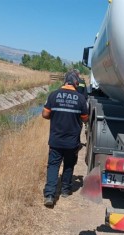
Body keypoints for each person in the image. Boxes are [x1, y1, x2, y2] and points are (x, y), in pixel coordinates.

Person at [42, 76, 89, 207]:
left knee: (53, 165)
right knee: (69, 164)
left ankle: (50, 195)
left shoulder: (53, 95)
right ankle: (65, 190)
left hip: (56, 140)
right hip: (72, 141)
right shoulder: (80, 98)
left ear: (64, 82)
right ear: (75, 84)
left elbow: (45, 114)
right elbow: (85, 118)